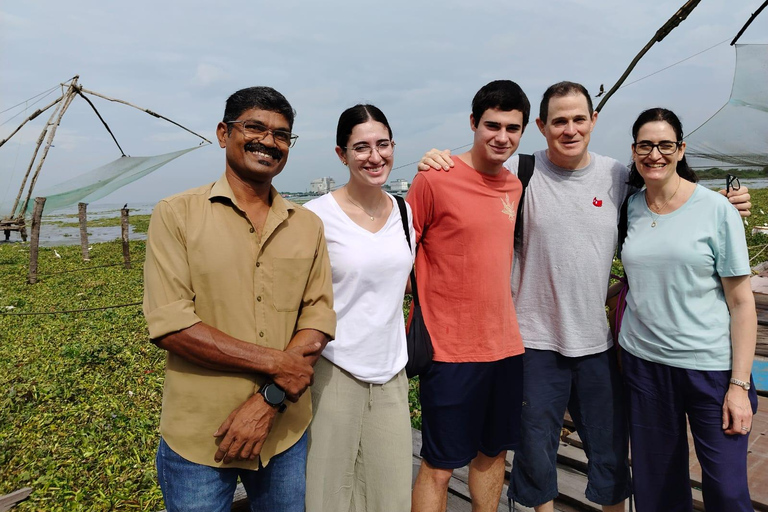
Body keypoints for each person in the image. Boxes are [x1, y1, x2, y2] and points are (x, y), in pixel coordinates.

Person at [417, 81, 752, 512]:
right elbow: (471, 177)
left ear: (594, 121)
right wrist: (435, 158)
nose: (570, 129)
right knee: (535, 456)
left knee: (611, 454)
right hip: (533, 342)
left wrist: (726, 201)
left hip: (598, 344)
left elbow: (668, 198)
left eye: (579, 119)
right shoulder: (519, 172)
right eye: (559, 121)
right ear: (540, 126)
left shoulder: (616, 176)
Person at [142, 86, 336, 512]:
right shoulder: (176, 214)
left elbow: (318, 317)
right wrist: (278, 365)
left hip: (284, 432)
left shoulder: (307, 225)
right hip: (200, 438)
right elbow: (172, 326)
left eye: (282, 135)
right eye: (255, 127)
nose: (268, 141)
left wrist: (268, 400)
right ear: (222, 133)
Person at [618, 107, 758, 512]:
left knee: (727, 491)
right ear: (633, 151)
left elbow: (741, 301)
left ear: (681, 150)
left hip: (710, 369)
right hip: (645, 366)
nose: (654, 154)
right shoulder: (631, 208)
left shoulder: (717, 210)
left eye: (665, 145)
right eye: (645, 145)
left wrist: (739, 386)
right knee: (657, 488)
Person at [408, 80, 528, 512]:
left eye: (512, 128)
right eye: (492, 125)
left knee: (494, 453)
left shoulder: (515, 186)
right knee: (439, 464)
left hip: (505, 346)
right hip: (449, 350)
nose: (502, 137)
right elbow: (401, 255)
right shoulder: (434, 179)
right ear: (474, 123)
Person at [304, 104, 414, 511]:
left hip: (392, 373)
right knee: (327, 495)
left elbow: (399, 285)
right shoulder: (315, 217)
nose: (375, 156)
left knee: (391, 495)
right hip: (332, 371)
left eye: (382, 145)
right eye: (361, 147)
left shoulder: (404, 212)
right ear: (342, 154)